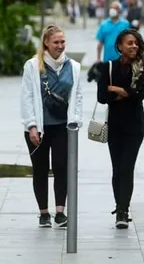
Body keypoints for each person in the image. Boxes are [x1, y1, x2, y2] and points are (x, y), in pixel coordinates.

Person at [19, 25, 84, 228]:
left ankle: (60, 211)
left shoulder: (73, 66)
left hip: (62, 127)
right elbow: (27, 96)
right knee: (40, 169)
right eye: (56, 42)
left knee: (61, 167)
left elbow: (78, 95)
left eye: (62, 42)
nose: (60, 46)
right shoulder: (32, 66)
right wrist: (31, 126)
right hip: (38, 127)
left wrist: (75, 120)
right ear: (46, 43)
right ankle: (43, 213)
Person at [97, 29, 144, 229]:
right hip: (115, 126)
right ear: (120, 46)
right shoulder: (108, 68)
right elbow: (102, 97)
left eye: (136, 43)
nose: (134, 46)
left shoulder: (143, 68)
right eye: (130, 43)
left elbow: (139, 95)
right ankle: (119, 206)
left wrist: (116, 89)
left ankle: (123, 211)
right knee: (117, 168)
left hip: (135, 126)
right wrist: (126, 92)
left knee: (127, 168)